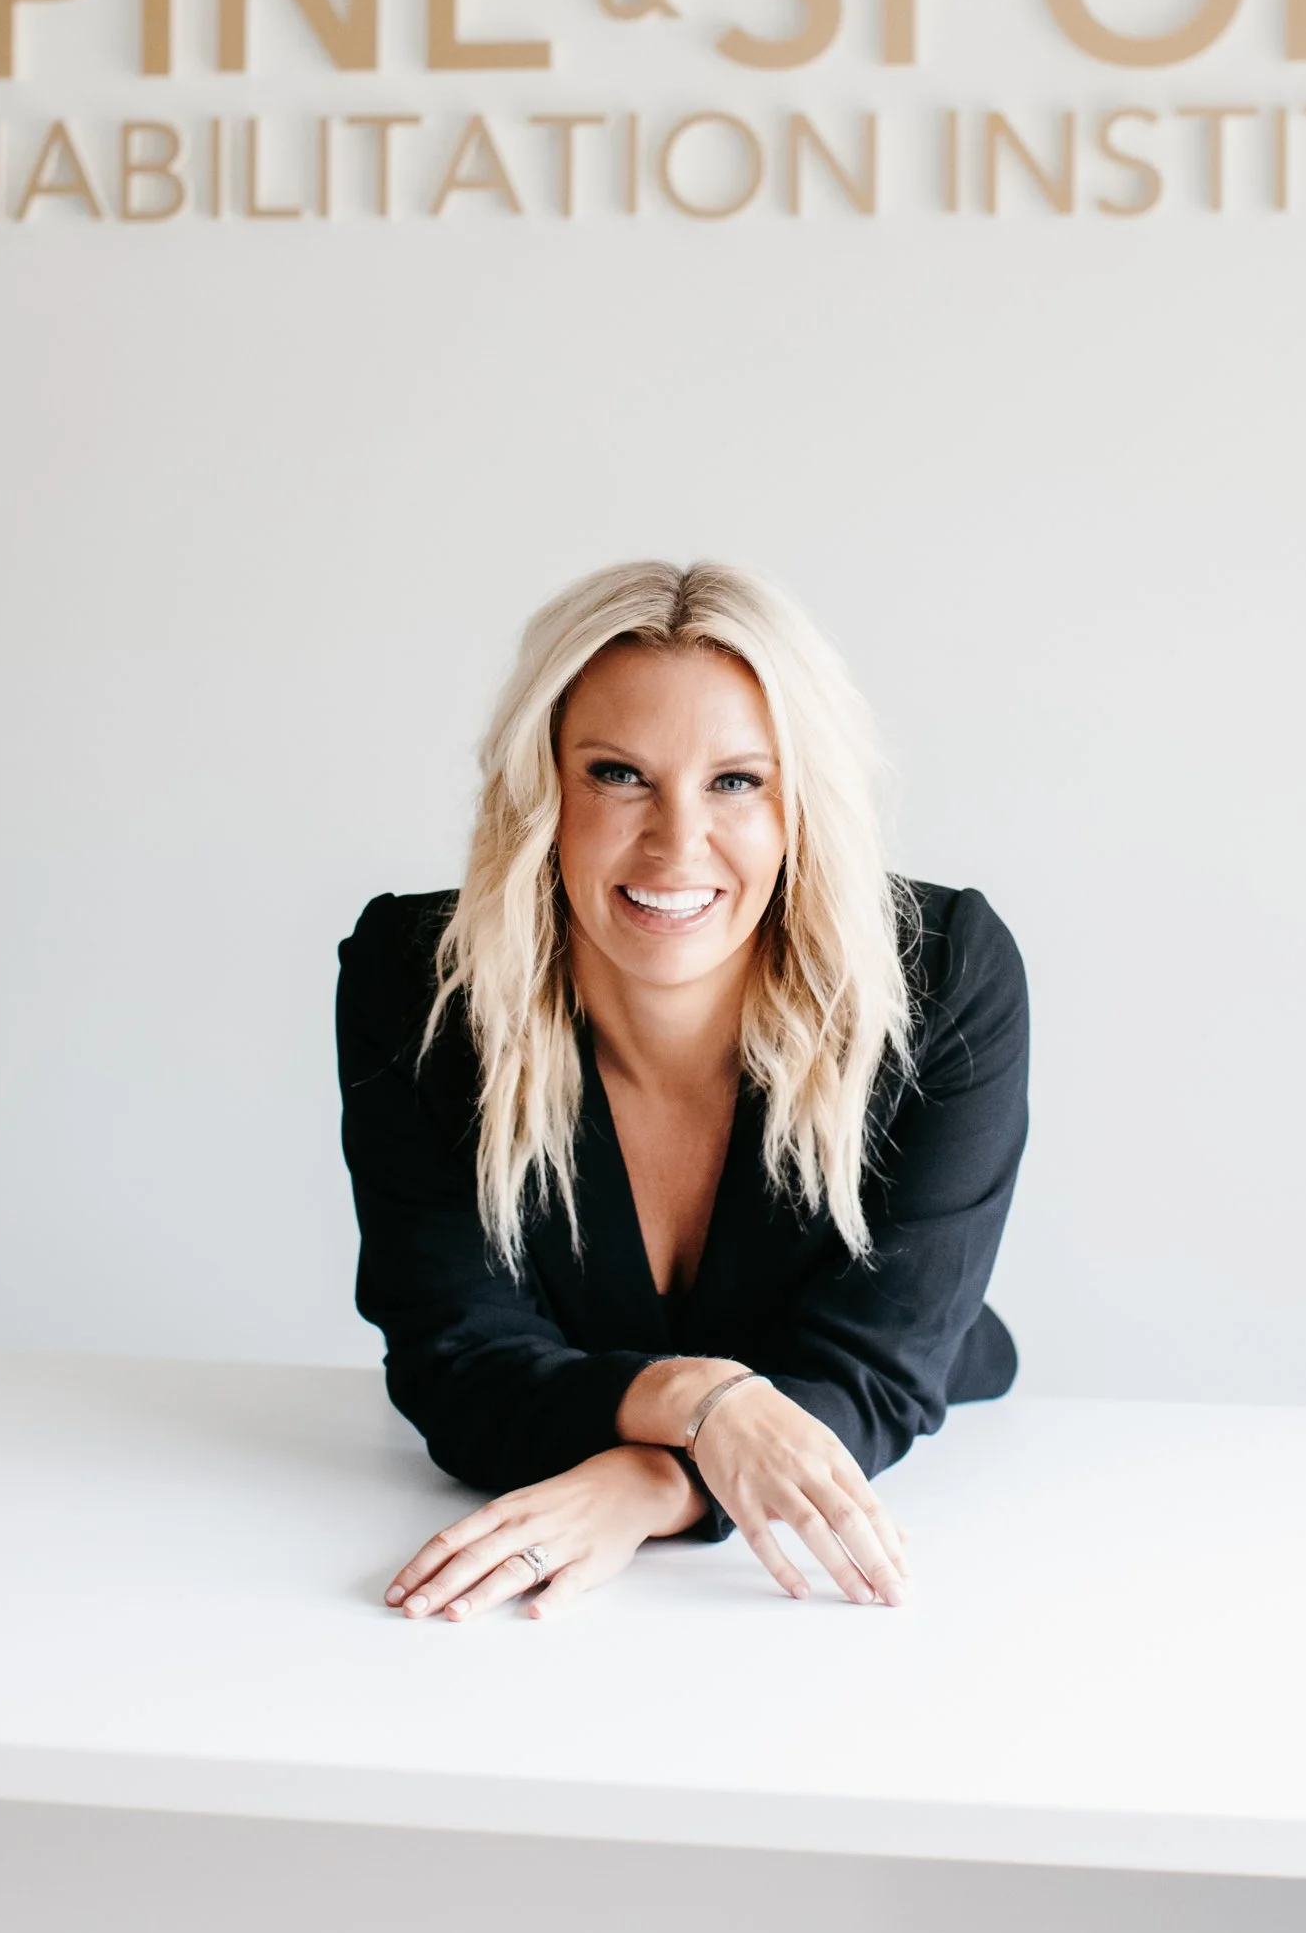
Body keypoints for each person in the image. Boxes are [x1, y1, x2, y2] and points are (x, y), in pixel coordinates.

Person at [335, 559, 1028, 1623]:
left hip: (942, 1514)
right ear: (541, 789)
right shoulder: (419, 981)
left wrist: (651, 1480)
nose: (675, 842)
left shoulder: (941, 979)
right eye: (616, 773)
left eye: (736, 781)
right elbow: (452, 1362)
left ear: (801, 803)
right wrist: (693, 1401)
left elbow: (880, 1371)